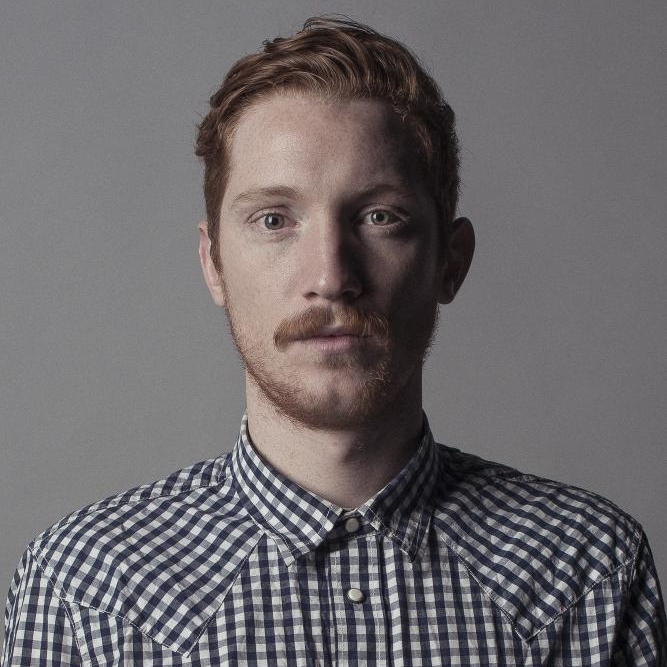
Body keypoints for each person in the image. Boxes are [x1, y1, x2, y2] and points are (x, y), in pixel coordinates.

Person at [2, 16, 665, 667]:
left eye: (379, 216)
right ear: (214, 264)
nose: (330, 277)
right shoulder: (86, 592)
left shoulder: (587, 573)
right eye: (274, 220)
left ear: (450, 260)